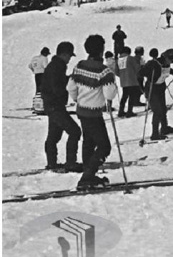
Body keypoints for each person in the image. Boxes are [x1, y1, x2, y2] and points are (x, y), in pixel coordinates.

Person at [67, 35, 119, 189]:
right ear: (102, 50)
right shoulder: (104, 71)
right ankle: (87, 176)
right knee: (104, 146)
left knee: (88, 142)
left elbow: (71, 87)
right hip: (94, 113)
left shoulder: (79, 66)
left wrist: (77, 99)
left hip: (81, 111)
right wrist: (112, 89)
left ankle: (89, 174)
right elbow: (109, 94)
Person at [42, 41, 82, 173]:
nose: (70, 59)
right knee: (74, 131)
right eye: (69, 56)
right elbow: (56, 87)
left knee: (54, 136)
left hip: (52, 105)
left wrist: (68, 78)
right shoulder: (57, 66)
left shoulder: (55, 65)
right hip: (55, 106)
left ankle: (52, 163)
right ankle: (70, 163)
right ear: (64, 54)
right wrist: (68, 85)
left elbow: (57, 82)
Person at [139, 48, 173, 140]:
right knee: (157, 111)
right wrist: (142, 89)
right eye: (172, 60)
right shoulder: (153, 64)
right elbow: (140, 73)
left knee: (163, 109)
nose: (172, 63)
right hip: (151, 89)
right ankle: (155, 134)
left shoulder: (165, 64)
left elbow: (168, 70)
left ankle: (164, 128)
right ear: (166, 57)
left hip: (160, 88)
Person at [118, 46, 143, 117]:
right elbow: (137, 68)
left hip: (123, 80)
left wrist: (122, 75)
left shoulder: (119, 60)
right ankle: (129, 111)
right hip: (132, 80)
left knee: (124, 96)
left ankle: (121, 111)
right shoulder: (130, 58)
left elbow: (117, 71)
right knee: (132, 96)